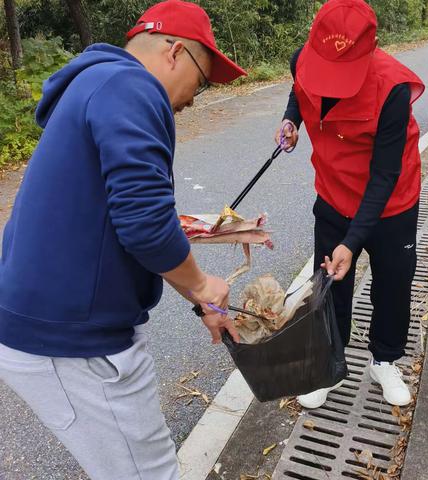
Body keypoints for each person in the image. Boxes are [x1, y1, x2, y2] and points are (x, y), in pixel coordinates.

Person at [0, 1, 245, 479]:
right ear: (175, 51)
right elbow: (145, 222)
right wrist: (202, 286)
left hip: (51, 323)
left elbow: (127, 224)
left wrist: (201, 301)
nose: (195, 98)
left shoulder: (95, 84)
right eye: (202, 81)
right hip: (74, 339)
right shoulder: (132, 85)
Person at [276, 0, 425, 408]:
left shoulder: (392, 88)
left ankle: (385, 359)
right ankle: (330, 365)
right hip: (332, 192)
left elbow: (384, 176)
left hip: (390, 201)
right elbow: (299, 91)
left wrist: (353, 239)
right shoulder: (301, 60)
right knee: (329, 284)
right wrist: (292, 119)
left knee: (393, 283)